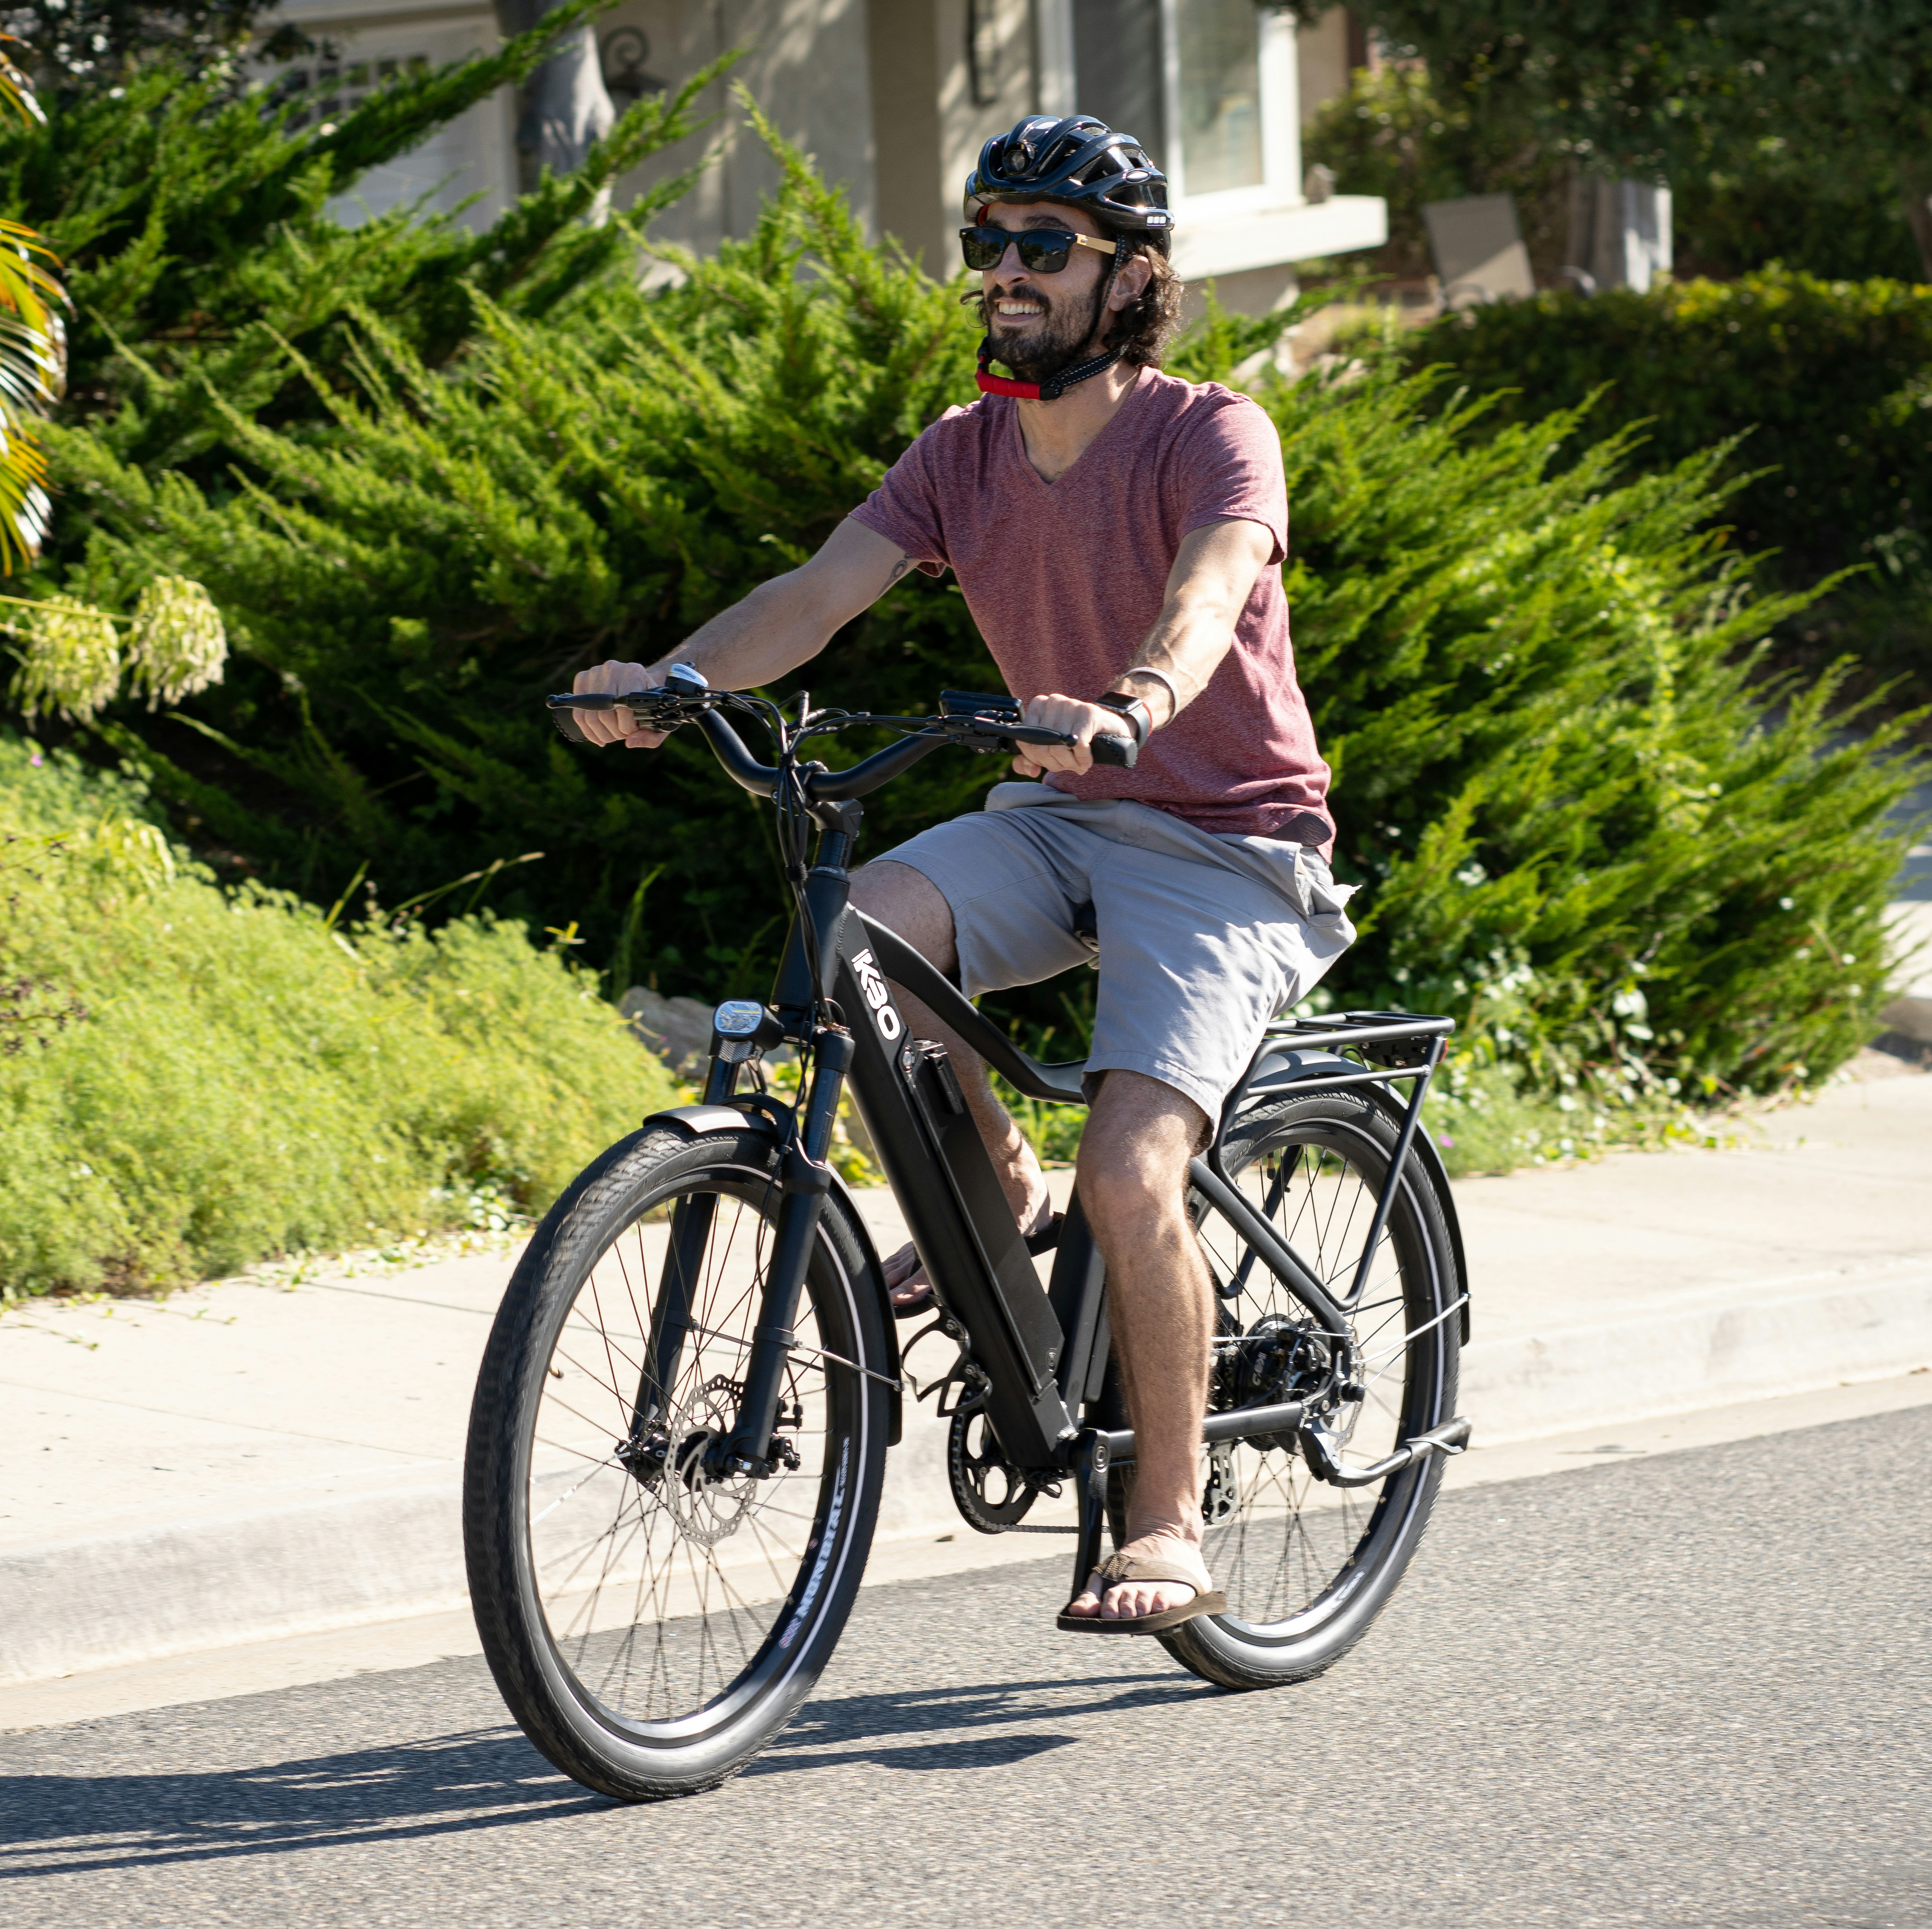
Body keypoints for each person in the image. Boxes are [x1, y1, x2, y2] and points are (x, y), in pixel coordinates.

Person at [565, 114, 1355, 1633]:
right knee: (852, 931)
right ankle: (992, 1179)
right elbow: (816, 594)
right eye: (986, 239)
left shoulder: (1209, 430)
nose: (1001, 269)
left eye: (1039, 245)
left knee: (1134, 1171)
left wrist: (1130, 700)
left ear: (1130, 275)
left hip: (1228, 837)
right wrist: (676, 685)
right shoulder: (965, 452)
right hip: (1058, 812)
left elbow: (1209, 591)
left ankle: (1170, 1514)